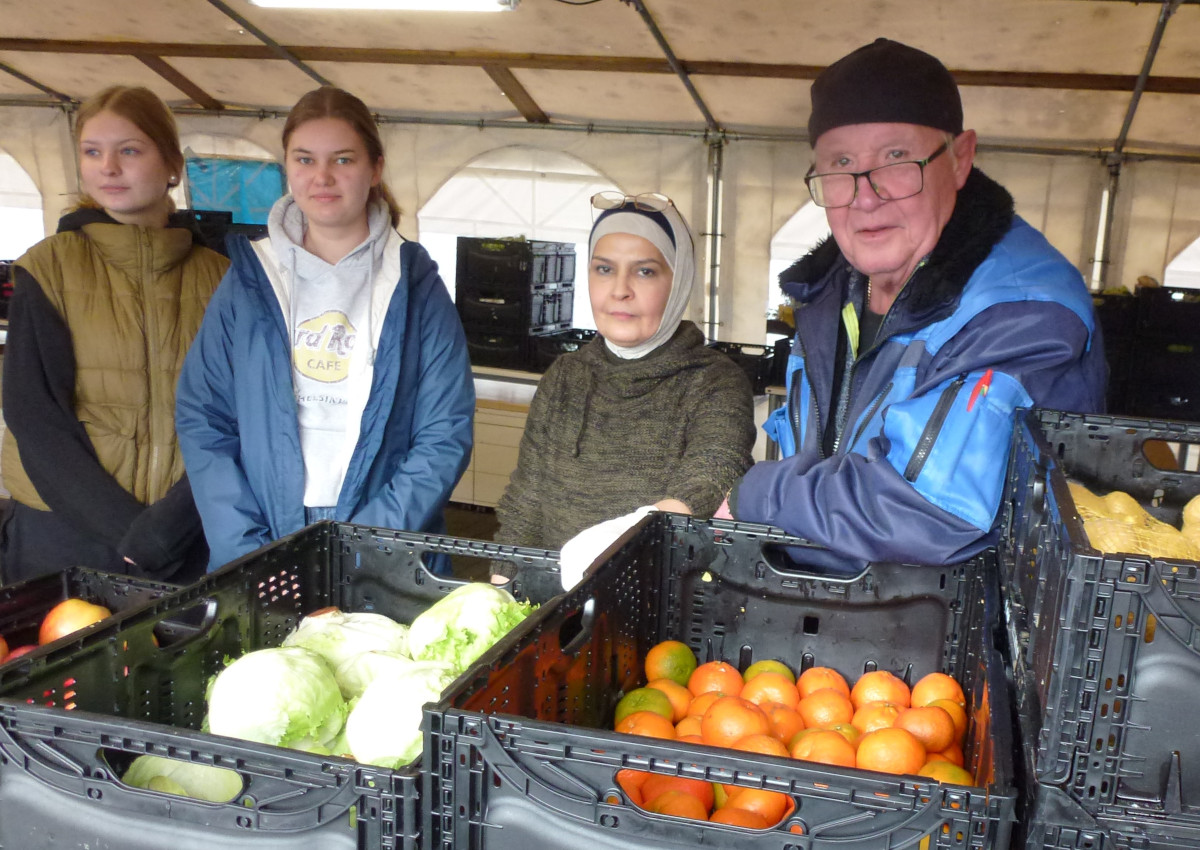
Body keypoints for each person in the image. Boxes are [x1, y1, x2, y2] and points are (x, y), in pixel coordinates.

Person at [727, 39, 1107, 568]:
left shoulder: (1024, 310)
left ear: (960, 158)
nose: (865, 196)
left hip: (962, 631)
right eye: (840, 163)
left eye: (896, 159)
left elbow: (928, 510)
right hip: (837, 617)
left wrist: (757, 496)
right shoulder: (830, 293)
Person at [175, 86, 474, 571]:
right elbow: (204, 416)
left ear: (375, 169)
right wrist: (247, 551)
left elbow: (444, 433)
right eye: (305, 159)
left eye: (343, 160)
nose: (322, 177)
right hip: (264, 533)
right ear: (287, 168)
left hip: (388, 539)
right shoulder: (250, 279)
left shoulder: (416, 284)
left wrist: (366, 544)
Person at [0, 85, 229, 584]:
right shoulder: (49, 267)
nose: (108, 167)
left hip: (184, 534)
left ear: (172, 165)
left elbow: (237, 414)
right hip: (62, 532)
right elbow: (34, 416)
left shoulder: (222, 278)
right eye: (92, 151)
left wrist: (172, 525)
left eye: (129, 150)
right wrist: (130, 532)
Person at [492, 192, 755, 584]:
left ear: (678, 279)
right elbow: (527, 499)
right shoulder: (565, 376)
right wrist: (502, 586)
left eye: (645, 271)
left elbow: (714, 468)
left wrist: (636, 531)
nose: (620, 290)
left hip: (653, 601)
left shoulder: (714, 380)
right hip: (553, 604)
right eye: (604, 269)